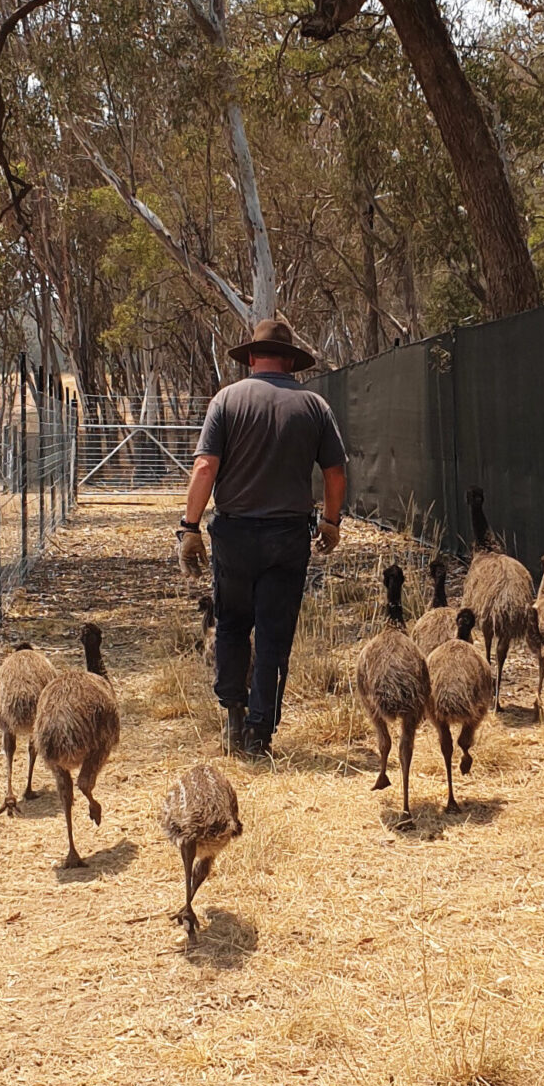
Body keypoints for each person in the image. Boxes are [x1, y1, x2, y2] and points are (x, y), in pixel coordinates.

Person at [178, 313, 348, 758]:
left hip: (233, 534)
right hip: (288, 537)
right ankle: (260, 732)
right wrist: (331, 522)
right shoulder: (315, 407)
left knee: (232, 624)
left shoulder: (226, 401)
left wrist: (190, 528)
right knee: (275, 634)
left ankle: (233, 717)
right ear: (290, 362)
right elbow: (334, 471)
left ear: (251, 356)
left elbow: (204, 467)